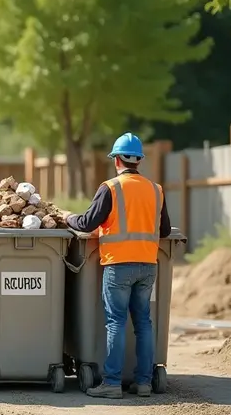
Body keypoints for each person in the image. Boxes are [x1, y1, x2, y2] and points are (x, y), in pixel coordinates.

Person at [63, 133, 172, 399]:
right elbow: (166, 230)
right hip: (148, 264)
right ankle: (144, 382)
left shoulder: (111, 188)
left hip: (118, 265)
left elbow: (88, 223)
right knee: (144, 323)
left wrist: (68, 218)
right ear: (139, 161)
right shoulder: (155, 189)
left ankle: (112, 382)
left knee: (116, 322)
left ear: (116, 160)